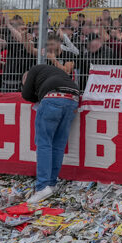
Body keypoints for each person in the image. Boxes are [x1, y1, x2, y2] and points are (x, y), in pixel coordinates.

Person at [21, 62, 79, 205]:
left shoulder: (34, 69)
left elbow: (26, 94)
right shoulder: (52, 72)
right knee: (58, 144)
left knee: (44, 143)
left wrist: (29, 88)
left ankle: (42, 186)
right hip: (73, 98)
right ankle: (52, 184)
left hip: (52, 97)